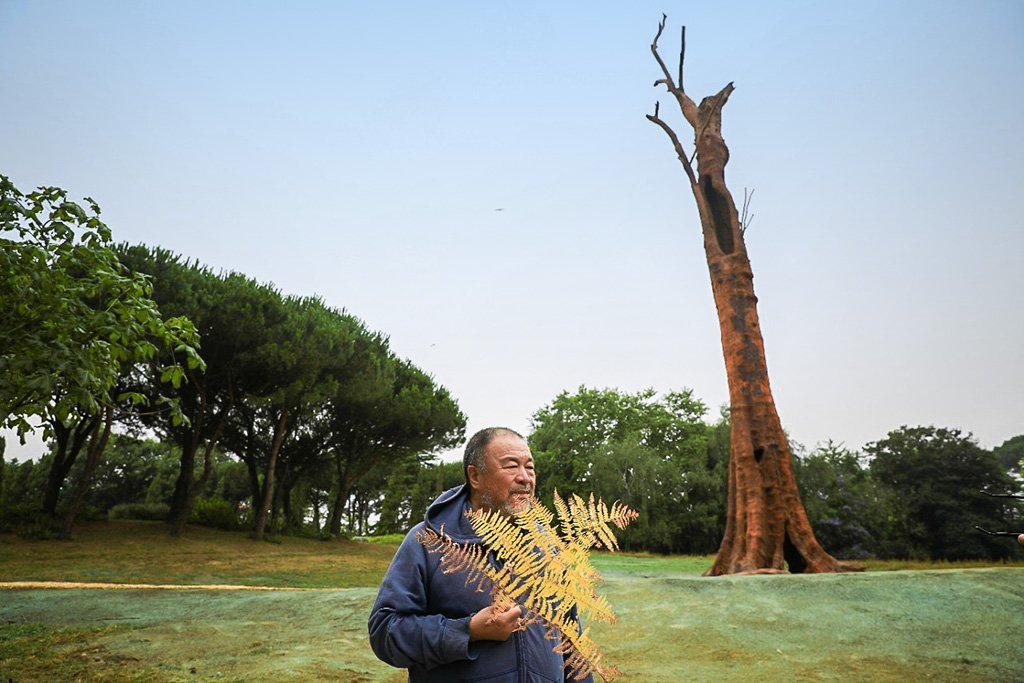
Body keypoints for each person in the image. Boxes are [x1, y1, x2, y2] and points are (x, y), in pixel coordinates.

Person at [368, 427, 593, 682]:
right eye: (511, 466)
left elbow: (571, 638)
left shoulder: (547, 545)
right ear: (475, 476)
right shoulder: (428, 541)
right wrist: (468, 631)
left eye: (529, 467)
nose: (525, 478)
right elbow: (385, 632)